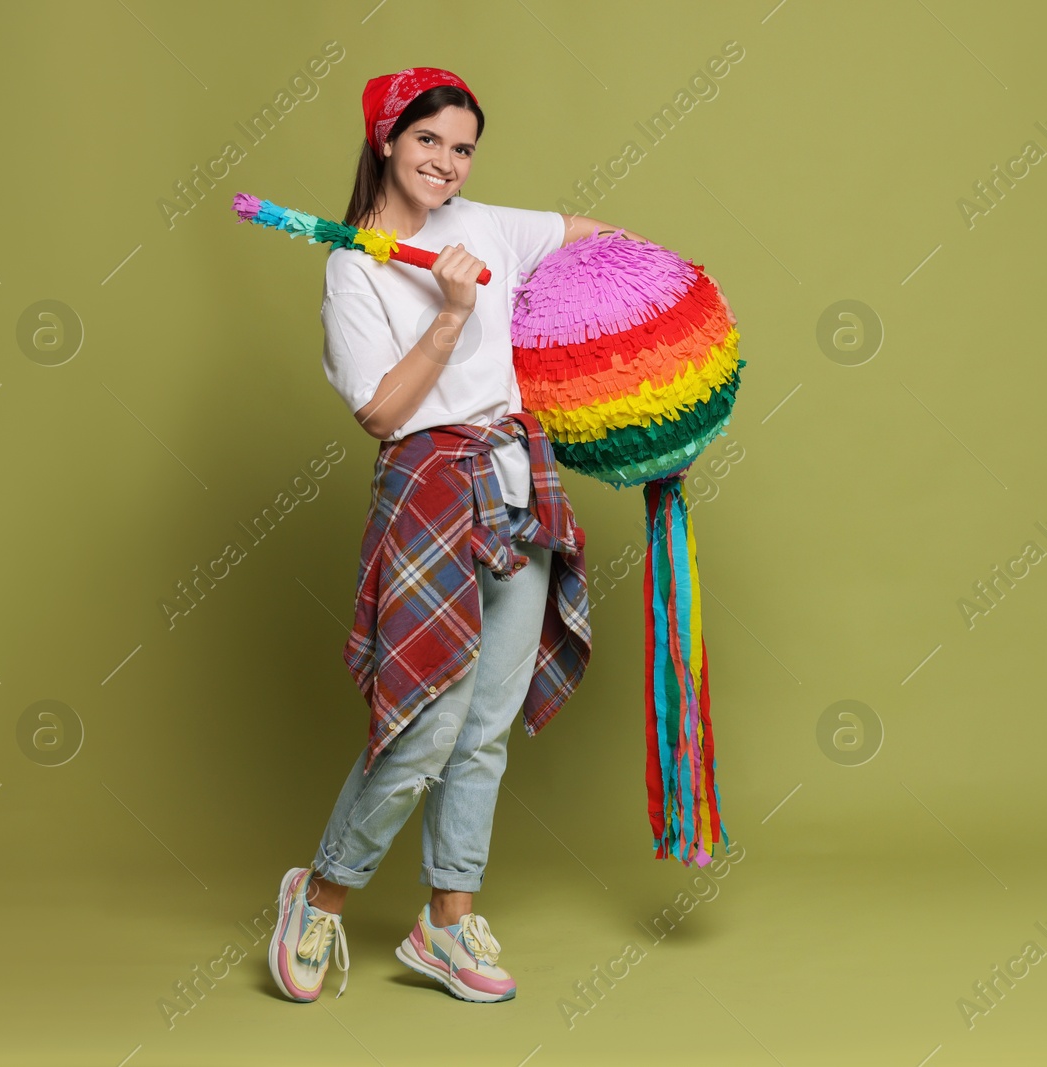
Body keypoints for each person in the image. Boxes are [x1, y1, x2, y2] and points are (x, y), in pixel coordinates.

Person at [267, 67, 647, 1005]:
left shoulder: (488, 225)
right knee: (426, 723)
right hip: (430, 487)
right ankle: (317, 896)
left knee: (483, 730)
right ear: (387, 142)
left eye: (463, 146)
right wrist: (449, 316)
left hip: (519, 483)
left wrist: (655, 303)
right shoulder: (353, 265)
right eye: (429, 141)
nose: (446, 162)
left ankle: (445, 922)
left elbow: (591, 239)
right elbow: (383, 411)